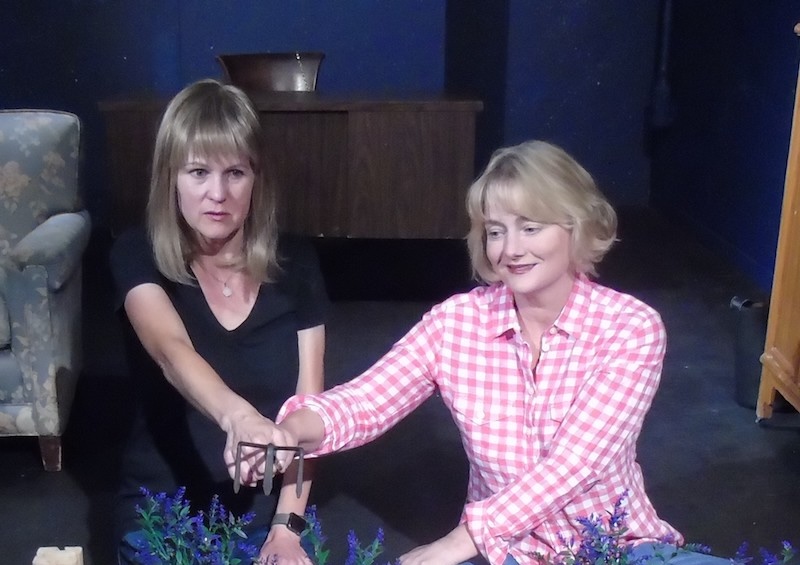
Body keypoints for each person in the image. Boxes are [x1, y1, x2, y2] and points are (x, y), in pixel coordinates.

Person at [260, 140, 730, 565]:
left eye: (530, 228)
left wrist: (456, 544)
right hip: (515, 553)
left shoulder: (631, 328)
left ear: (576, 226)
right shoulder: (456, 323)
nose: (511, 249)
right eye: (496, 231)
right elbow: (365, 401)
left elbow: (574, 465)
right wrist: (290, 431)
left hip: (617, 549)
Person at [110, 78, 328, 565]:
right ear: (171, 178)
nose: (218, 193)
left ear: (256, 179)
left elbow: (310, 416)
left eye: (235, 172)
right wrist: (240, 417)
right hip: (163, 511)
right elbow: (171, 352)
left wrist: (287, 529)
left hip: (267, 515)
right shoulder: (136, 254)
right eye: (198, 172)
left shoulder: (297, 264)